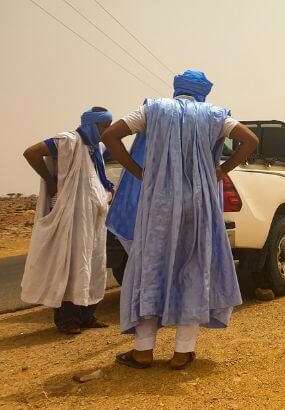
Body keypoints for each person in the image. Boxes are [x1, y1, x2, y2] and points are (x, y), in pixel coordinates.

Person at [102, 70, 257, 370]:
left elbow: (109, 136)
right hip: (198, 204)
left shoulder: (153, 109)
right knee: (193, 267)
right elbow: (250, 140)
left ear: (176, 89)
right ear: (203, 92)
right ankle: (182, 352)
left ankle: (143, 351)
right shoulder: (214, 115)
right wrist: (222, 170)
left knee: (151, 267)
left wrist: (137, 171)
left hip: (158, 203)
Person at [20, 107, 114, 334]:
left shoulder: (97, 149)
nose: (106, 131)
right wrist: (51, 182)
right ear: (91, 125)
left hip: (94, 218)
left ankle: (87, 316)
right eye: (104, 127)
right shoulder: (68, 141)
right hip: (72, 216)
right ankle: (66, 320)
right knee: (71, 265)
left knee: (93, 264)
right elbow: (31, 152)